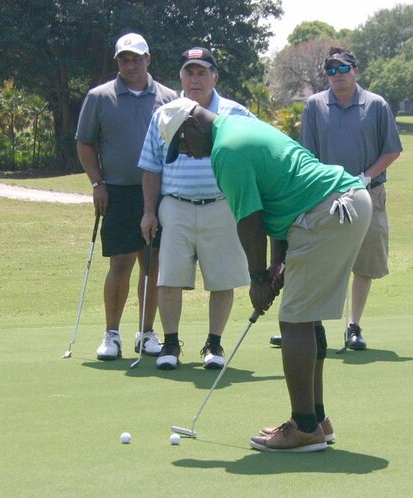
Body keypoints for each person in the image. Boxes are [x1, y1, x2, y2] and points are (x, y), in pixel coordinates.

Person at [155, 97, 372, 452]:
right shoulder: (240, 129)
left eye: (181, 144)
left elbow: (250, 221)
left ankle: (304, 429)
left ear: (193, 124)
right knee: (304, 317)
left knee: (294, 322)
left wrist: (258, 280)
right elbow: (278, 205)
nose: (188, 154)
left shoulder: (226, 150)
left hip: (329, 211)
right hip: (338, 203)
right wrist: (276, 267)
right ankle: (316, 420)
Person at [270, 47, 402, 350]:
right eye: (331, 70)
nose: (337, 75)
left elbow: (391, 149)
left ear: (355, 71)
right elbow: (307, 154)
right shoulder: (315, 106)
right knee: (314, 259)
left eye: (343, 69)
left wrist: (365, 177)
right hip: (324, 196)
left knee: (364, 263)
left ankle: (353, 326)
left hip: (368, 193)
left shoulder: (376, 105)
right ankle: (302, 324)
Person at [138, 47, 251, 370]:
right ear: (181, 78)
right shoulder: (164, 114)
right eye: (189, 72)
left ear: (215, 76)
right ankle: (170, 344)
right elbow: (151, 167)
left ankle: (213, 345)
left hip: (221, 204)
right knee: (169, 278)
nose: (195, 78)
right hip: (175, 205)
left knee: (222, 279)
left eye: (202, 72)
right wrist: (149, 211)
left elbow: (255, 154)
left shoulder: (236, 113)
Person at [75, 33, 177, 360]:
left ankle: (146, 333)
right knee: (120, 262)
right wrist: (97, 183)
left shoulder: (169, 98)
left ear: (149, 59)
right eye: (124, 59)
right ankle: (112, 334)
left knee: (153, 263)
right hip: (117, 191)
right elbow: (85, 143)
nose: (130, 65)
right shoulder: (100, 97)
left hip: (160, 192)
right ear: (117, 61)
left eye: (136, 58)